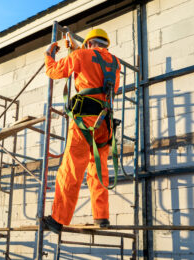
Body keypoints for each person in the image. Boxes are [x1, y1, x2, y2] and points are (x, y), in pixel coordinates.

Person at [42, 28, 121, 234]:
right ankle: (101, 216)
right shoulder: (114, 63)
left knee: (71, 169)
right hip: (105, 124)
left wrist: (49, 55)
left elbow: (54, 71)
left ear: (88, 43)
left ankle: (57, 219)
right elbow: (96, 70)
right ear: (105, 44)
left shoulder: (80, 55)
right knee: (98, 171)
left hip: (83, 121)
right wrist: (76, 50)